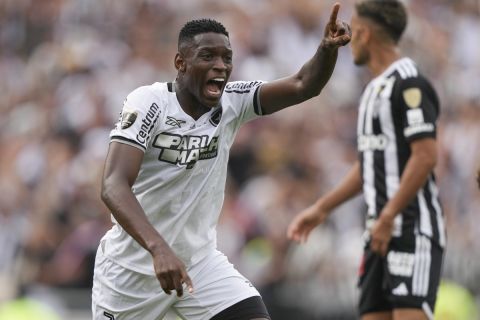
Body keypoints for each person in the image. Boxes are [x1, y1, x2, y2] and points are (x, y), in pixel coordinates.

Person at [92, 3, 351, 319]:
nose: (220, 66)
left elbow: (303, 84)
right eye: (207, 57)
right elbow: (113, 185)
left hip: (199, 264)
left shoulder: (233, 102)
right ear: (180, 63)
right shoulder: (149, 103)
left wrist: (327, 49)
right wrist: (159, 249)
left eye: (227, 58)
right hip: (131, 274)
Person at [287, 1, 445, 320]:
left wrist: (389, 216)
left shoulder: (409, 82)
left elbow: (426, 156)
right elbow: (371, 164)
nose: (350, 41)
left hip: (411, 228)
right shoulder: (373, 90)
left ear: (364, 33)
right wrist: (321, 208)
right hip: (378, 232)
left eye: (353, 31)